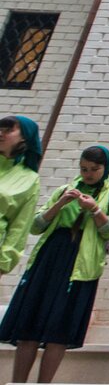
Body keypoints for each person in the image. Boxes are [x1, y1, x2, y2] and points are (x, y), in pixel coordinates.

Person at [1, 145, 109, 383]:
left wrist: (94, 209)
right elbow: (36, 226)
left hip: (81, 264)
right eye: (84, 169)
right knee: (30, 321)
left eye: (94, 169)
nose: (88, 174)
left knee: (59, 328)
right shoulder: (65, 189)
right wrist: (60, 204)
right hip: (50, 257)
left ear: (105, 168)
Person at [0, 115, 42, 283]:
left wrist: (3, 265)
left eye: (9, 129)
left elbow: (19, 227)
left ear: (25, 137)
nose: (1, 133)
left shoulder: (29, 179)